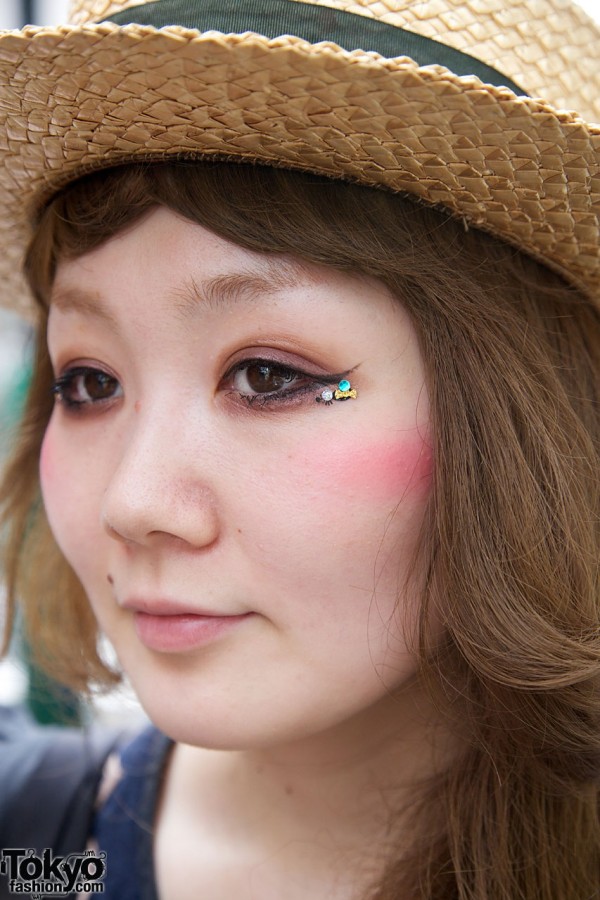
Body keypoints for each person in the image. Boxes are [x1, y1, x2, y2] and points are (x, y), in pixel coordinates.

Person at [0, 0, 598, 897]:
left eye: (270, 376)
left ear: (524, 421)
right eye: (89, 382)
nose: (136, 501)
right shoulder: (32, 848)